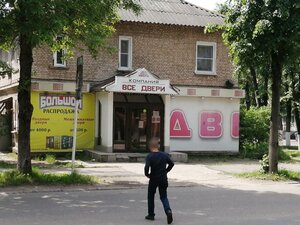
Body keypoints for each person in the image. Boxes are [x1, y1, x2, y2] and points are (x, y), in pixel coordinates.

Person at [144, 137, 174, 224]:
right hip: (163, 179)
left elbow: (146, 168)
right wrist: (166, 171)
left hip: (153, 179)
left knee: (151, 196)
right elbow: (172, 164)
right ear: (158, 146)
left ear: (150, 147)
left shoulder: (149, 156)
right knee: (163, 196)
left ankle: (151, 214)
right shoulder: (164, 155)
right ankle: (168, 211)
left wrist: (147, 175)